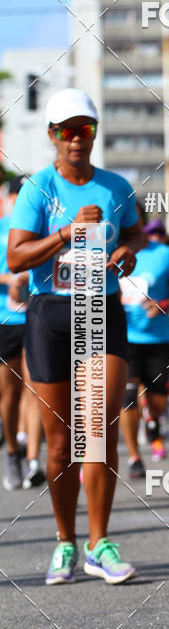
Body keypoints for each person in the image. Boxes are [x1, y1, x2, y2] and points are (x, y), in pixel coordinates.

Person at [7, 88, 145, 583]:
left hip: (101, 309)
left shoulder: (114, 186)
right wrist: (65, 233)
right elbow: (16, 258)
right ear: (52, 136)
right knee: (60, 444)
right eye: (67, 130)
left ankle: (99, 542)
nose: (76, 139)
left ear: (94, 133)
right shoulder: (36, 189)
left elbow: (136, 233)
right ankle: (65, 540)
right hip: (50, 315)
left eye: (84, 129)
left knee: (99, 432)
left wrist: (129, 251)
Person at [120, 217, 169, 475]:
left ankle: (152, 418)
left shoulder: (164, 254)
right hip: (123, 339)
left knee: (157, 401)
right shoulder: (109, 252)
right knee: (128, 398)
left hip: (158, 340)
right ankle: (134, 457)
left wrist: (164, 304)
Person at [0, 177, 30, 489]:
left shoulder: (46, 226)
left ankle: (32, 451)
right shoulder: (1, 228)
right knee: (10, 394)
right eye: (19, 195)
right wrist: (10, 279)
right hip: (6, 320)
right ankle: (12, 452)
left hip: (39, 316)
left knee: (36, 388)